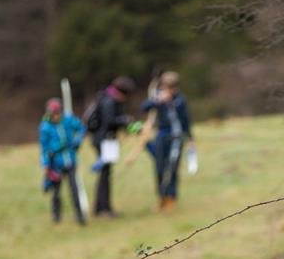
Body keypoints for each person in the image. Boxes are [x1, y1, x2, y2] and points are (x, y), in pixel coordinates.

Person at [141, 71, 194, 211]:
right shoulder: (158, 96)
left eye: (171, 87)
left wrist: (190, 138)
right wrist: (157, 101)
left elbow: (186, 120)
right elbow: (144, 107)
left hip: (176, 138)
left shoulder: (180, 100)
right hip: (162, 135)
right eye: (165, 86)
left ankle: (172, 198)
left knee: (172, 168)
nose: (168, 89)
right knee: (159, 167)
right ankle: (162, 198)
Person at [89, 76, 136, 217]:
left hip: (105, 140)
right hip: (104, 141)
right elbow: (109, 122)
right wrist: (125, 120)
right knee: (105, 174)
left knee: (105, 173)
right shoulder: (109, 101)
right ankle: (104, 209)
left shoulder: (107, 97)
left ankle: (102, 208)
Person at [39, 97, 86, 224]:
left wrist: (77, 140)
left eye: (58, 113)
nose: (56, 116)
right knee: (56, 192)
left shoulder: (68, 120)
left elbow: (81, 128)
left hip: (70, 161)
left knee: (74, 189)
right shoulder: (45, 127)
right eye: (54, 114)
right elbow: (44, 148)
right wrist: (46, 164)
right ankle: (56, 216)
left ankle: (79, 215)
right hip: (56, 164)